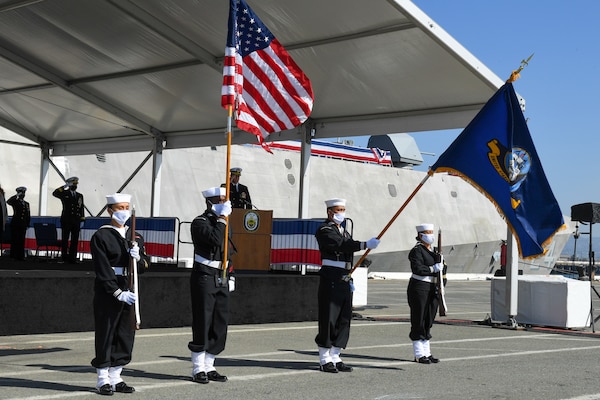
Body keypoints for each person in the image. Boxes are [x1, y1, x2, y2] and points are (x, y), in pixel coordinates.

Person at [90, 193, 150, 396]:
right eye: (119, 208)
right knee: (107, 332)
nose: (124, 211)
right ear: (109, 210)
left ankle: (116, 376)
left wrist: (138, 257)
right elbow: (102, 269)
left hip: (129, 286)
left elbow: (143, 266)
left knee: (125, 333)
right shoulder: (101, 236)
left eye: (126, 207)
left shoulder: (135, 236)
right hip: (110, 289)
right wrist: (117, 293)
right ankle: (102, 379)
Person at [314, 198, 380, 373]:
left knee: (344, 318)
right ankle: (324, 358)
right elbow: (341, 245)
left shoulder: (343, 231)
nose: (341, 213)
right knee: (329, 317)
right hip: (331, 276)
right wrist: (364, 244)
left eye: (343, 209)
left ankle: (335, 355)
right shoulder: (325, 229)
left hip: (345, 275)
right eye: (338, 210)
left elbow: (347, 244)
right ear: (329, 212)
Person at [188, 186, 234, 384]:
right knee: (203, 320)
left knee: (219, 322)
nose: (225, 203)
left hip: (221, 275)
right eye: (220, 200)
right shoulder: (200, 222)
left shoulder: (224, 222)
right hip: (204, 275)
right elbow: (215, 240)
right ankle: (198, 367)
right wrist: (223, 219)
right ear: (210, 202)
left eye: (225, 200)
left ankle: (210, 364)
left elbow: (228, 250)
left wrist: (231, 274)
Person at [407, 223, 443, 364]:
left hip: (432, 287)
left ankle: (427, 352)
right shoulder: (417, 251)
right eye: (428, 232)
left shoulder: (434, 252)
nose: (430, 235)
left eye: (431, 232)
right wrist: (433, 268)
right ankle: (418, 353)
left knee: (428, 319)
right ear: (421, 235)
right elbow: (417, 269)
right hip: (419, 287)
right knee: (419, 318)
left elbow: (441, 271)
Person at [53, 177, 85, 263]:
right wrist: (65, 186)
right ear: (70, 185)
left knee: (75, 240)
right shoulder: (64, 193)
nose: (75, 186)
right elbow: (55, 193)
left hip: (76, 220)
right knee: (65, 239)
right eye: (73, 184)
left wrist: (82, 219)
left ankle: (72, 258)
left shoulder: (79, 195)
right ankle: (64, 257)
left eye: (75, 184)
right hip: (66, 220)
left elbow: (81, 208)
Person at [6, 187, 30, 261]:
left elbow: (28, 214)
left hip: (23, 224)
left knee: (21, 240)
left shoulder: (26, 204)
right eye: (21, 193)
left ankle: (20, 255)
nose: (23, 195)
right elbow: (9, 201)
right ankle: (14, 255)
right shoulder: (15, 202)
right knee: (15, 239)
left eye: (23, 193)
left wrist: (27, 223)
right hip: (16, 223)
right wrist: (16, 195)